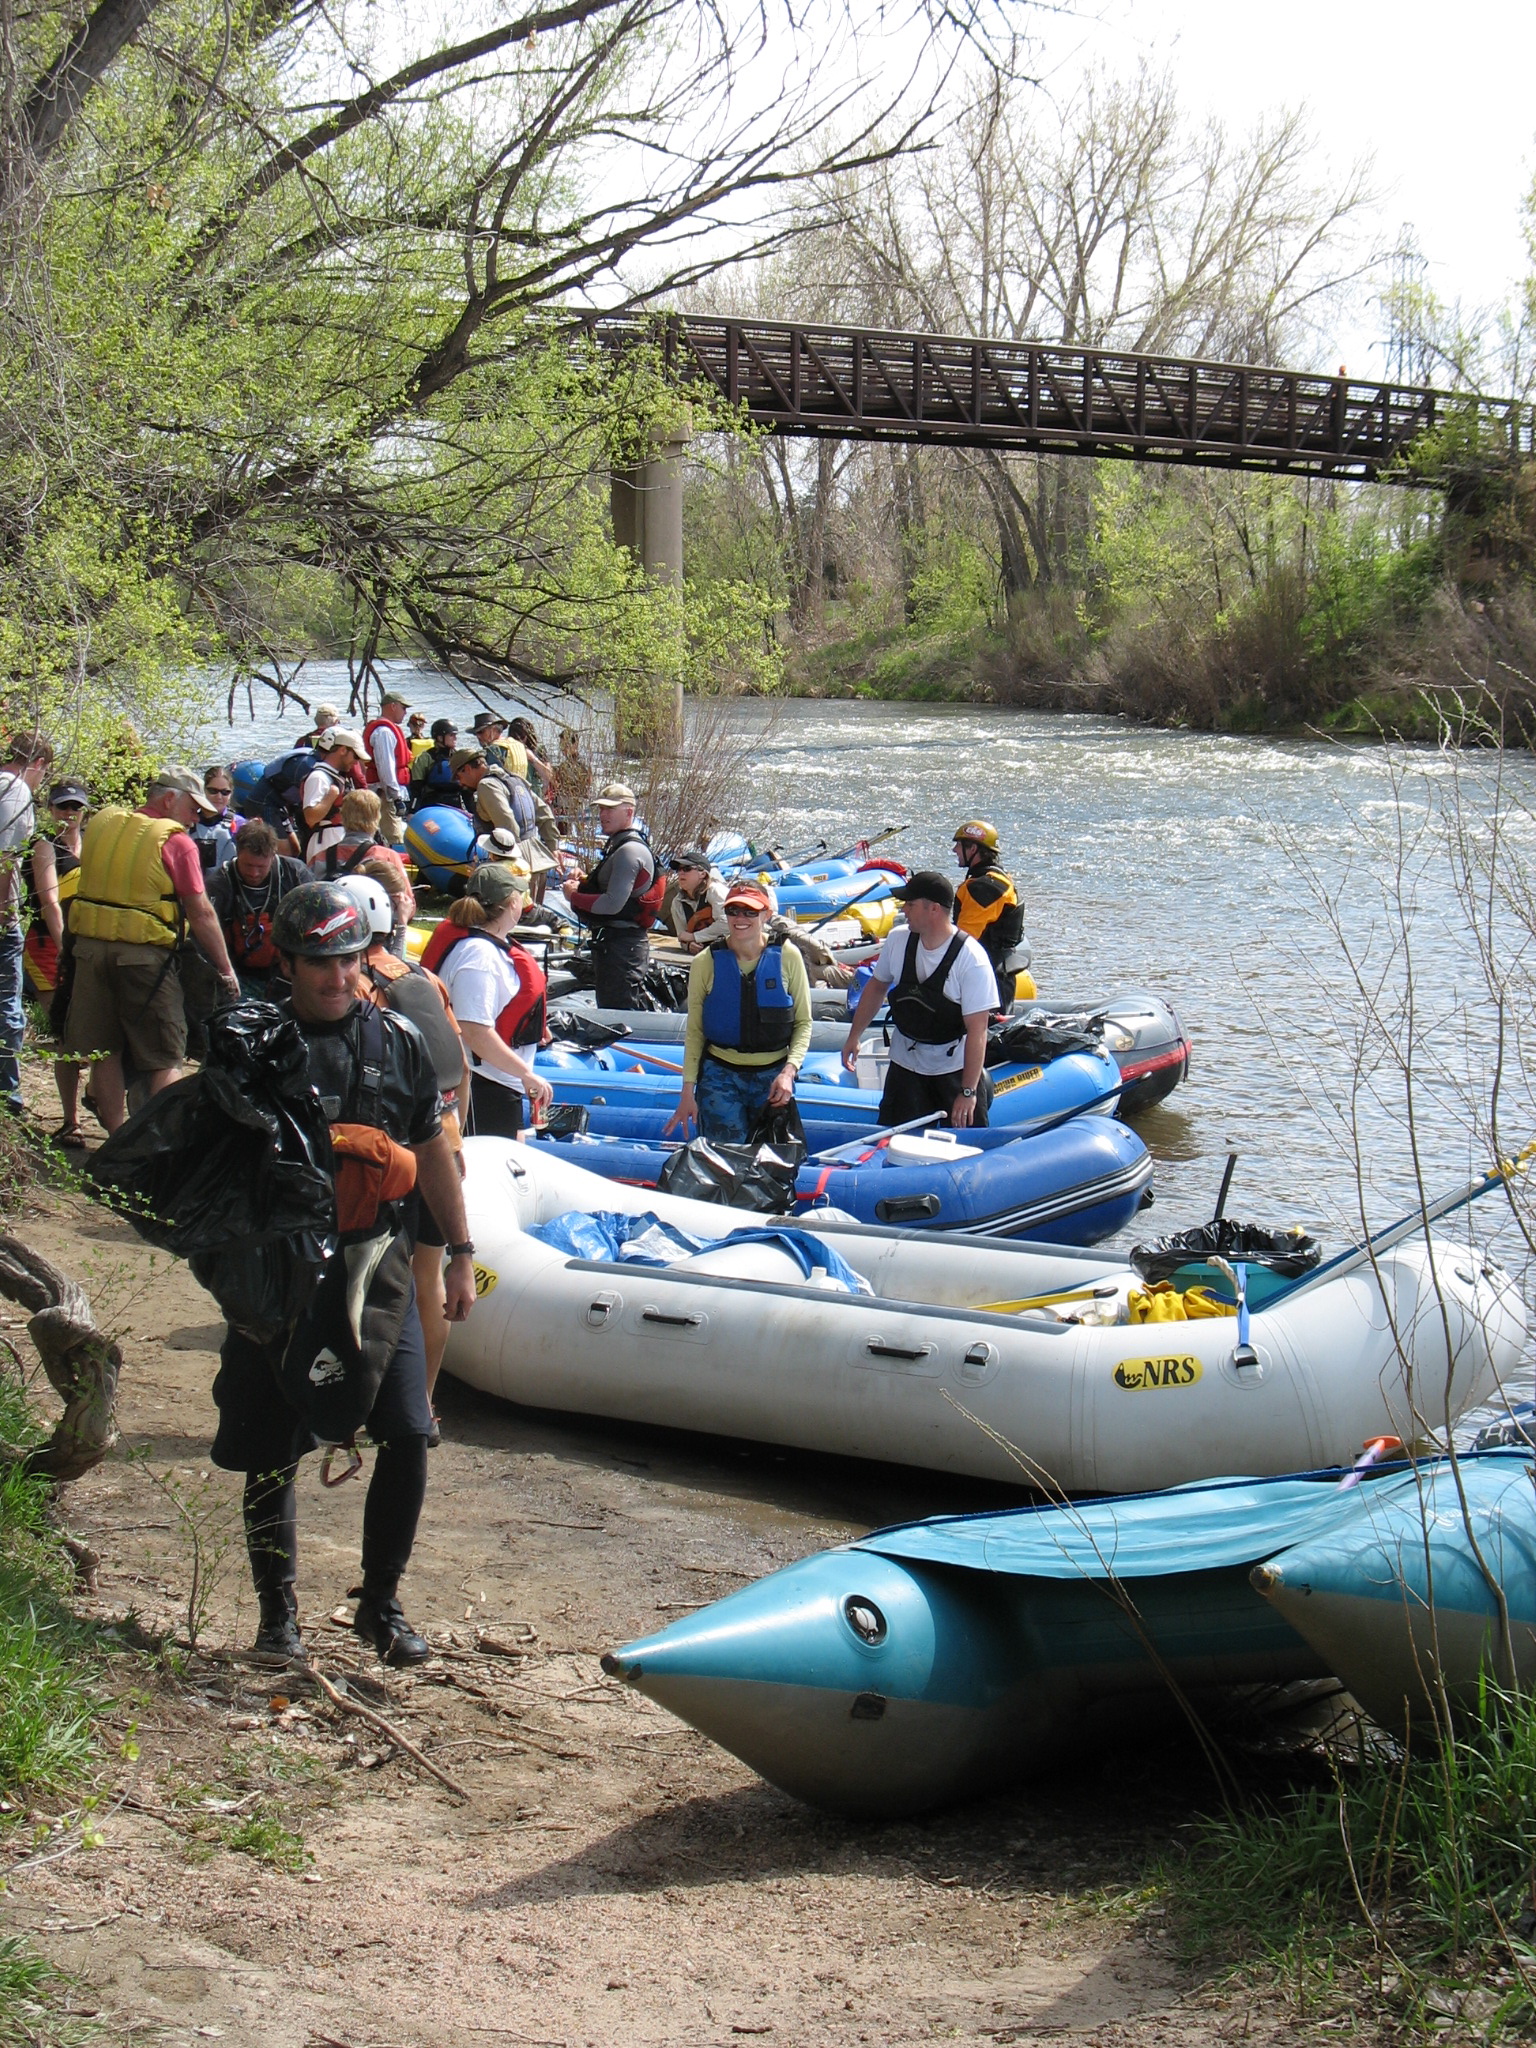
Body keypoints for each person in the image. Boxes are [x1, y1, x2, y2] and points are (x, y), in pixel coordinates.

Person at [210, 881, 476, 1666]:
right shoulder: (254, 1046)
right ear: (287, 964)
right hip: (278, 1276)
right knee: (270, 1447)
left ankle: (381, 1605)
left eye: (349, 960)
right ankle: (276, 1618)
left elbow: (433, 1152)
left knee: (407, 1432)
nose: (337, 977)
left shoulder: (397, 1039)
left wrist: (460, 1253)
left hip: (374, 1268)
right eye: (319, 963)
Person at [340, 874, 472, 1445]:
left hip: (384, 1156)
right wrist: (454, 1144)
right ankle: (423, 1403)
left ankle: (352, 1398)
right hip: (441, 1144)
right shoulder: (425, 979)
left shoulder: (352, 988)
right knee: (427, 1277)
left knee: (357, 1275)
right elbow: (460, 1071)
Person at [64, 765, 242, 1133]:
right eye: (193, 809)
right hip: (143, 959)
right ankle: (161, 1150)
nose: (196, 818)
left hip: (90, 952)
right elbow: (202, 912)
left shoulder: (101, 824)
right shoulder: (176, 843)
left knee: (106, 1050)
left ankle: (115, 1142)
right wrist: (226, 969)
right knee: (165, 1056)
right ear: (169, 800)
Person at [839, 870, 997, 1129]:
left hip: (952, 1071)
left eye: (910, 904)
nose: (905, 910)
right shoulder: (898, 940)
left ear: (933, 909)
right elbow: (877, 988)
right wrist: (854, 1036)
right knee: (891, 1140)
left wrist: (968, 1092)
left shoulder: (971, 959)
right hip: (905, 1067)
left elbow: (978, 1031)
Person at [665, 880, 811, 1144]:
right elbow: (695, 1031)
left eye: (750, 911)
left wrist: (789, 1073)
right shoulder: (705, 962)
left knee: (771, 1165)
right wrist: (688, 1090)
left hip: (773, 1078)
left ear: (766, 915)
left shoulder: (788, 956)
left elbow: (803, 1023)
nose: (740, 918)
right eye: (733, 911)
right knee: (724, 1162)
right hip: (720, 1077)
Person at [428, 862, 555, 1139]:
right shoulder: (479, 956)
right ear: (512, 903)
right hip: (482, 1086)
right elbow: (475, 1032)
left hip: (497, 1082)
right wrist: (526, 1074)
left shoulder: (488, 946)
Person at [24, 778, 87, 1145]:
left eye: (75, 808)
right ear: (50, 810)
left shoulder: (91, 845)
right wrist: (66, 949)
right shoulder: (44, 847)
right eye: (62, 807)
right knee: (66, 1030)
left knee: (91, 1027)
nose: (69, 814)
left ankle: (94, 1097)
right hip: (49, 945)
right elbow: (49, 903)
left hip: (84, 945)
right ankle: (70, 1121)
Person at [562, 782, 664, 1009]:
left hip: (623, 950)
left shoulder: (629, 850)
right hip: (613, 946)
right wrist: (585, 881)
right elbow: (615, 887)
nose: (602, 814)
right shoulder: (620, 846)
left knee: (619, 1012)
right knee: (610, 1005)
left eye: (609, 809)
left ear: (629, 812)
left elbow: (612, 904)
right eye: (601, 809)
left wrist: (573, 896)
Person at [0, 733, 54, 1114]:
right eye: (44, 774)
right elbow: (5, 858)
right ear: (37, 764)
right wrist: (5, 914)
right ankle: (7, 1096)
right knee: (6, 1006)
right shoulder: (15, 790)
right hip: (2, 918)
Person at [206, 819, 313, 999]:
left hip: (287, 973)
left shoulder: (295, 874)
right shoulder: (219, 884)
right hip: (236, 973)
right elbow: (203, 938)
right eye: (248, 865)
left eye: (261, 867)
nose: (254, 873)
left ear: (273, 856)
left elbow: (316, 921)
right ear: (237, 853)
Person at [450, 746, 557, 876]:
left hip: (516, 862)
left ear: (467, 769)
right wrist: (553, 847)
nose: (460, 783)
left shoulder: (486, 785)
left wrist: (511, 862)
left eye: (458, 777)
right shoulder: (515, 779)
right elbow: (544, 813)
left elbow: (507, 823)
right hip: (537, 858)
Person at [952, 820, 1024, 1009]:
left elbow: (964, 941)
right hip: (995, 976)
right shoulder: (993, 879)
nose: (954, 850)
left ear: (973, 848)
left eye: (959, 845)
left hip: (989, 979)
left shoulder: (984, 887)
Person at [299, 728, 367, 862]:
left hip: (337, 840)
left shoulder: (338, 776)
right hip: (324, 841)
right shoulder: (319, 777)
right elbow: (311, 817)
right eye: (355, 756)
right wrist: (331, 795)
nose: (356, 762)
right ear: (342, 750)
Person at [361, 690, 412, 845]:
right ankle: (393, 866)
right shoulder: (384, 732)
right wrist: (396, 797)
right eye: (403, 708)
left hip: (386, 792)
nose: (405, 713)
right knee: (394, 837)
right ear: (393, 706)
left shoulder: (387, 730)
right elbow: (386, 767)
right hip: (385, 794)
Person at [669, 850, 729, 952]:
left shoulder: (716, 891)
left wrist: (695, 937)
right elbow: (682, 936)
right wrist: (689, 945)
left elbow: (728, 924)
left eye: (687, 869)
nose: (681, 873)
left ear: (703, 874)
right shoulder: (678, 902)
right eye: (678, 869)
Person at [188, 767, 239, 871]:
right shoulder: (188, 822)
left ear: (231, 793)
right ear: (203, 790)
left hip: (226, 884)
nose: (219, 796)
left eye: (225, 792)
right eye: (213, 791)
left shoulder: (240, 824)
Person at [408, 719, 463, 810]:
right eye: (451, 735)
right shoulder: (425, 758)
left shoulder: (458, 757)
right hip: (432, 804)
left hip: (456, 803)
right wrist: (413, 810)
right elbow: (416, 789)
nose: (455, 738)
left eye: (455, 735)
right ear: (440, 738)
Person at [550, 727, 591, 831]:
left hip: (572, 806)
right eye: (561, 745)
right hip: (565, 806)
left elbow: (587, 785)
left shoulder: (581, 765)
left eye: (566, 745)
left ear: (575, 745)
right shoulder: (564, 765)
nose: (563, 749)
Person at [506, 718, 553, 795]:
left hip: (535, 793)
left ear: (528, 736)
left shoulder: (539, 750)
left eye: (522, 737)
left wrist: (533, 759)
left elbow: (548, 776)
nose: (519, 741)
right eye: (515, 738)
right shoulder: (508, 751)